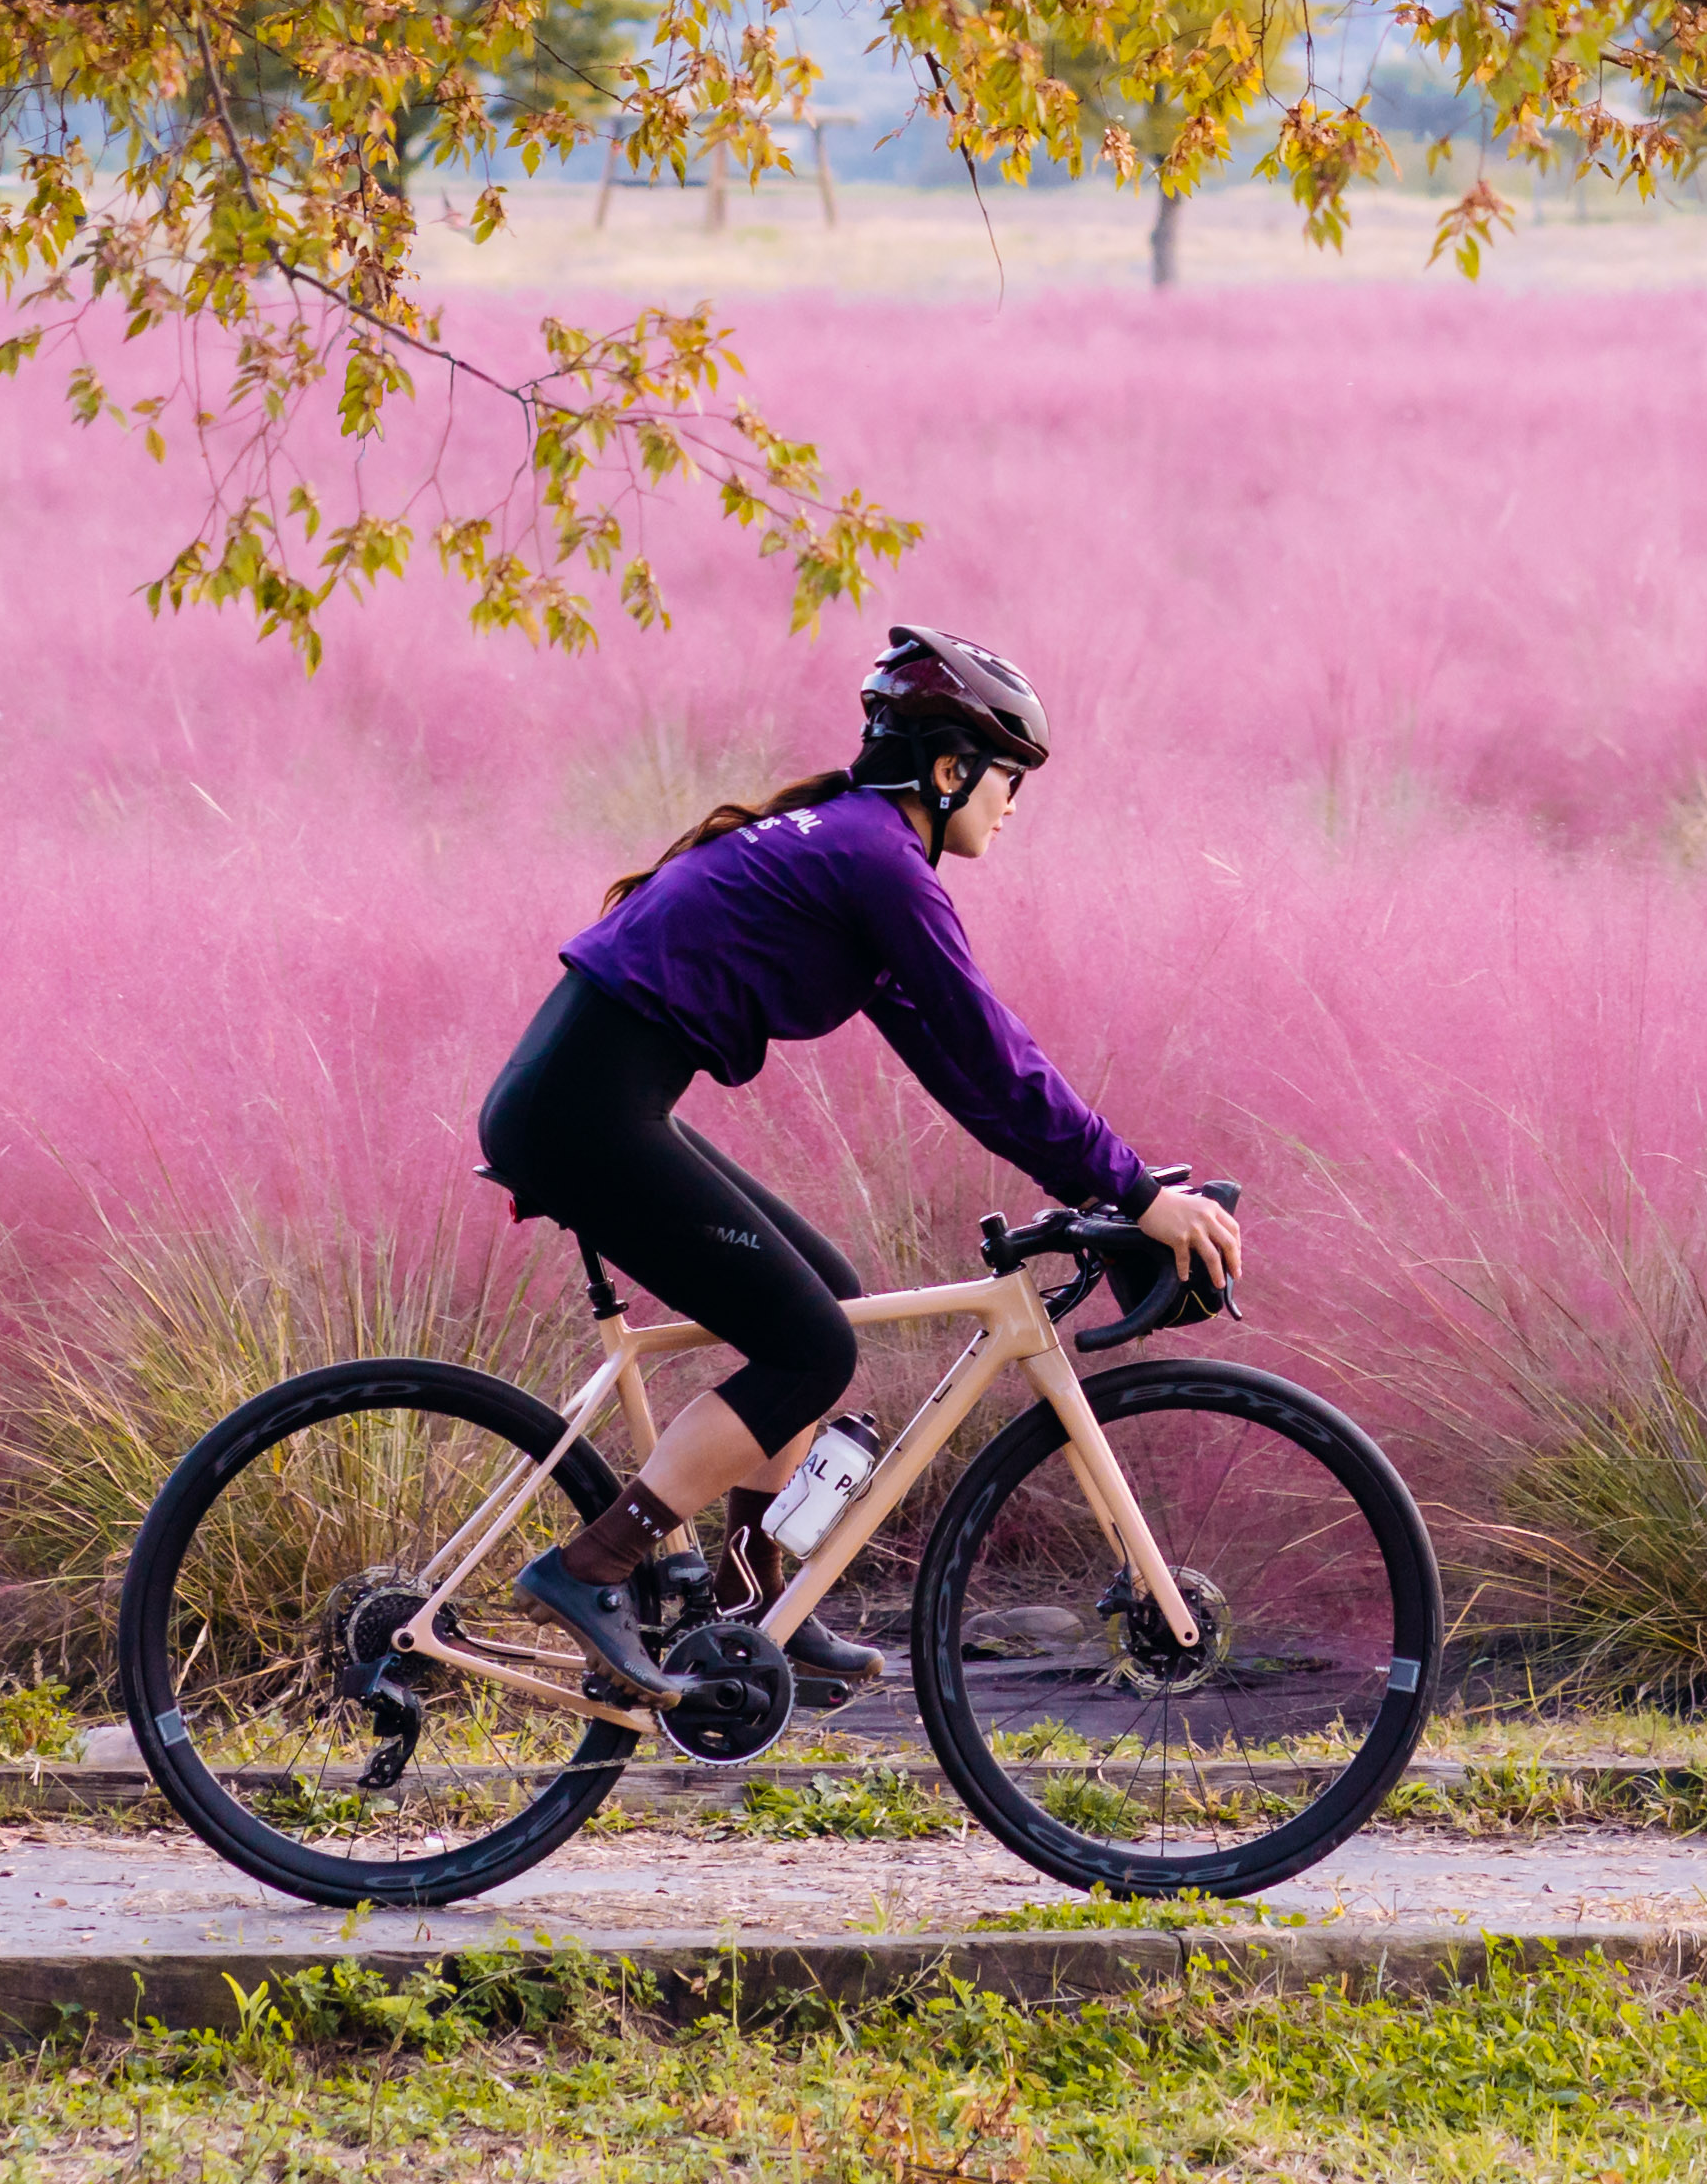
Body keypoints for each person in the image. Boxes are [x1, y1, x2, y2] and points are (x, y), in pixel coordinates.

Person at [473, 623, 1242, 1706]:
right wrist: (1132, 1192)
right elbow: (993, 1054)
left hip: (585, 1100)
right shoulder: (876, 862)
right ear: (948, 768)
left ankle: (748, 1605)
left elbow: (963, 1069)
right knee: (808, 1349)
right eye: (1008, 778)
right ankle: (592, 1566)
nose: (1014, 804)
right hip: (582, 1115)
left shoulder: (851, 850)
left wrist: (1100, 1180)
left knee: (825, 1298)